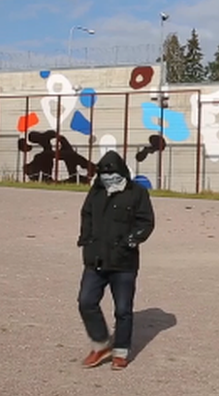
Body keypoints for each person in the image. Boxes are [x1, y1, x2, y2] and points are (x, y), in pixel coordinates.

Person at [76, 150, 155, 370]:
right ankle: (100, 344)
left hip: (124, 262)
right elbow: (87, 215)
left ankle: (121, 351)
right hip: (96, 259)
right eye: (103, 174)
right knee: (86, 302)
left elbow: (146, 222)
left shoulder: (137, 192)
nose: (108, 178)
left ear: (121, 172)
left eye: (112, 174)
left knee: (123, 310)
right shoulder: (97, 191)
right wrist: (86, 240)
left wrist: (130, 242)